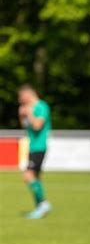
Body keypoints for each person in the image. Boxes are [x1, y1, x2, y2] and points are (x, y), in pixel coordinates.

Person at [17, 85, 52, 219]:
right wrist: (21, 116)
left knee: (28, 176)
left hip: (39, 147)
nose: (20, 100)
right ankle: (40, 208)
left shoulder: (41, 106)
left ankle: (43, 203)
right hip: (33, 147)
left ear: (28, 94)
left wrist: (29, 113)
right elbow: (27, 128)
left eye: (21, 97)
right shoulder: (29, 108)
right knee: (36, 178)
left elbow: (37, 126)